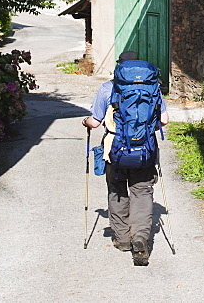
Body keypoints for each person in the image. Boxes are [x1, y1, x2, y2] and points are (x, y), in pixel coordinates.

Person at [82, 51, 168, 266]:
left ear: (119, 67)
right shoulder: (152, 87)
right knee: (142, 192)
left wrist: (85, 121)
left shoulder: (108, 88)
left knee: (117, 190)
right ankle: (140, 238)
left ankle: (122, 239)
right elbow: (164, 121)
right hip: (145, 151)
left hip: (115, 150)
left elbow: (95, 122)